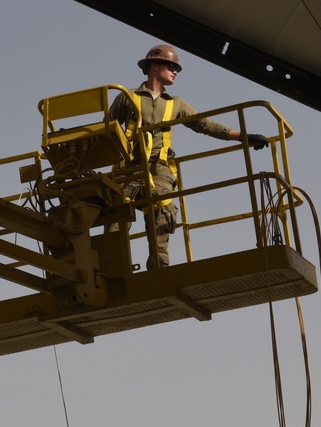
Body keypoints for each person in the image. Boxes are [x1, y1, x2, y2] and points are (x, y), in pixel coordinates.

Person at [107, 44, 269, 269]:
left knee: (162, 213)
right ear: (155, 66)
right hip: (128, 168)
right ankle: (112, 269)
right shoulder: (127, 96)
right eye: (171, 66)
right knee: (115, 217)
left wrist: (243, 136)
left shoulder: (176, 104)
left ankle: (159, 269)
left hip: (159, 168)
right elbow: (106, 131)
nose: (175, 71)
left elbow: (204, 124)